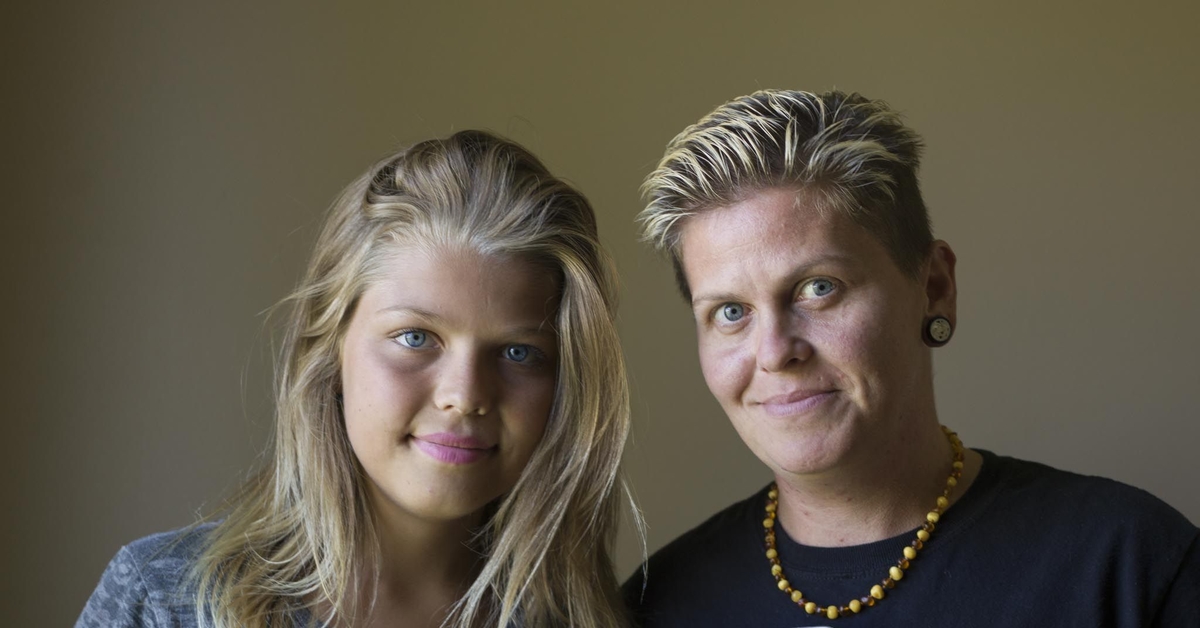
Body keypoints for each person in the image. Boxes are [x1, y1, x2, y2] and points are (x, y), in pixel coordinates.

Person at [624, 89, 1199, 626]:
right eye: (730, 311)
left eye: (819, 288)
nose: (775, 353)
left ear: (935, 287)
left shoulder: (1130, 563)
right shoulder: (655, 608)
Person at [76, 130, 632, 628]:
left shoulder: (587, 618)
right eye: (415, 338)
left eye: (517, 352)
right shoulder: (164, 603)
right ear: (329, 351)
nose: (464, 395)